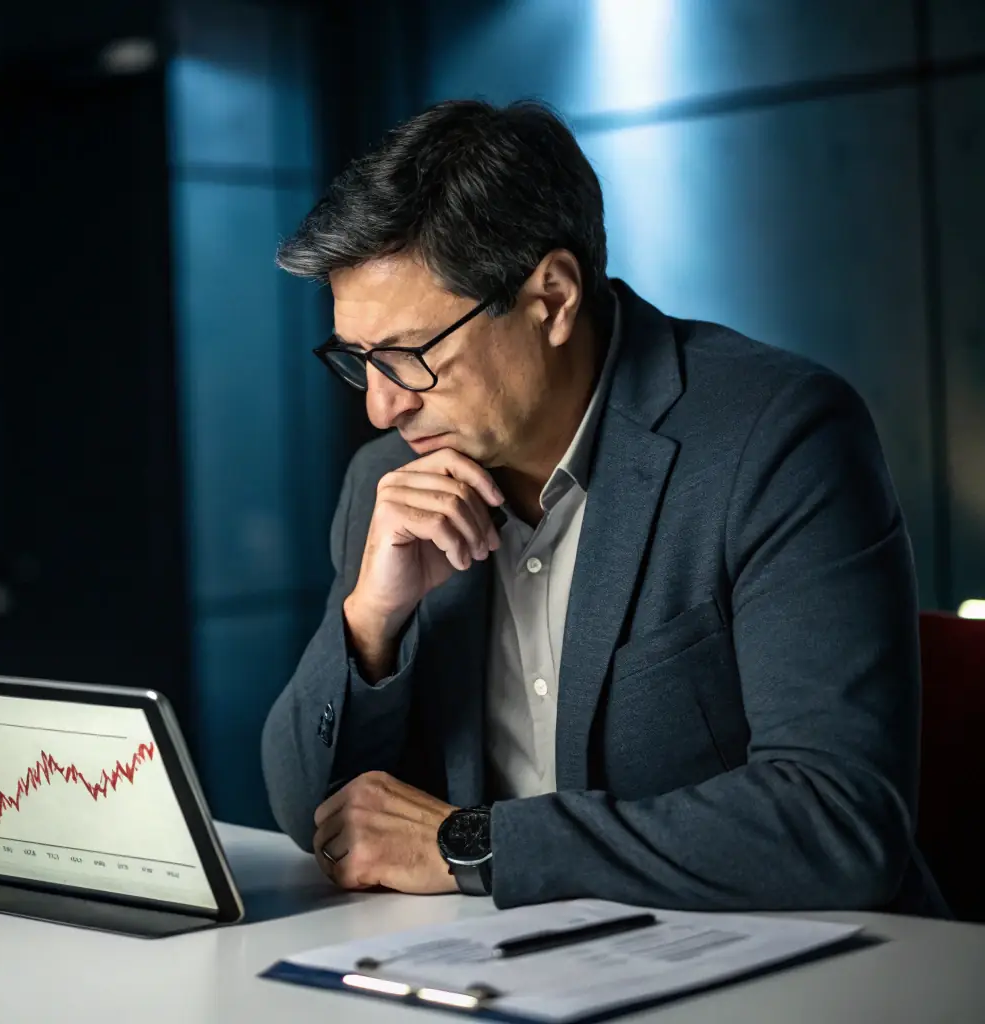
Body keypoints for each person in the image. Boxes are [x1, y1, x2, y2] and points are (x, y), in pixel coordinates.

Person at [259, 98, 947, 916]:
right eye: (358, 359)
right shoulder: (390, 481)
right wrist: (371, 621)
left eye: (408, 355)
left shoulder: (777, 436)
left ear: (550, 298)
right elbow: (312, 816)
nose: (380, 407)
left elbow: (837, 820)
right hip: (507, 967)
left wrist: (472, 843)